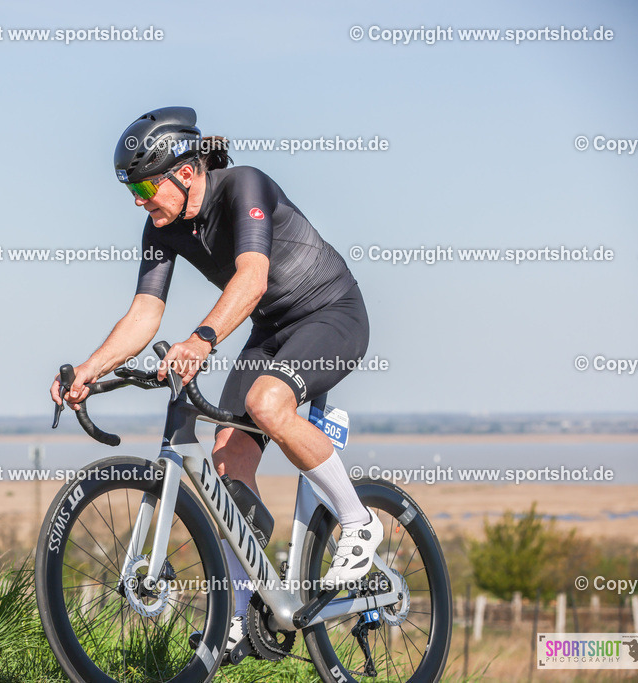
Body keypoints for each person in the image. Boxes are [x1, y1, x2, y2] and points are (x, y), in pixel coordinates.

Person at [49, 106, 382, 657]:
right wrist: (87, 369)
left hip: (331, 314)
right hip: (272, 332)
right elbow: (143, 315)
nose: (137, 198)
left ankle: (357, 520)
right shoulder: (162, 227)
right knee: (228, 463)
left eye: (143, 184)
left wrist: (201, 340)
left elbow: (252, 279)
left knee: (267, 402)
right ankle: (243, 612)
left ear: (184, 172)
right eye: (130, 187)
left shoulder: (242, 186)